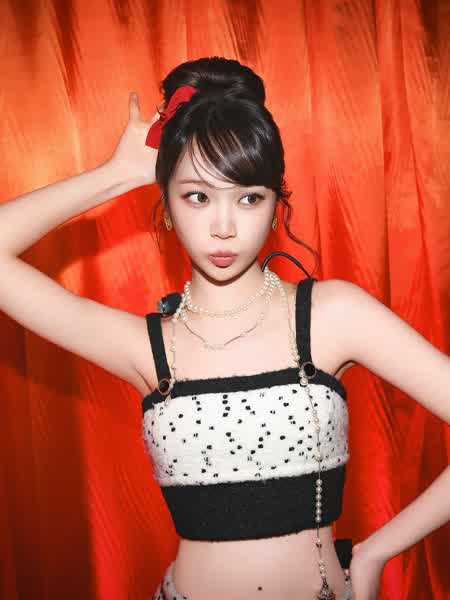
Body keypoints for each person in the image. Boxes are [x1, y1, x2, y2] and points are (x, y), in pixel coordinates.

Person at [0, 56, 449, 600]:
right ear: (166, 205)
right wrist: (118, 175)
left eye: (248, 197)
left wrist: (378, 551)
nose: (223, 225)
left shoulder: (332, 316)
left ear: (276, 204)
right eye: (197, 195)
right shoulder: (146, 347)